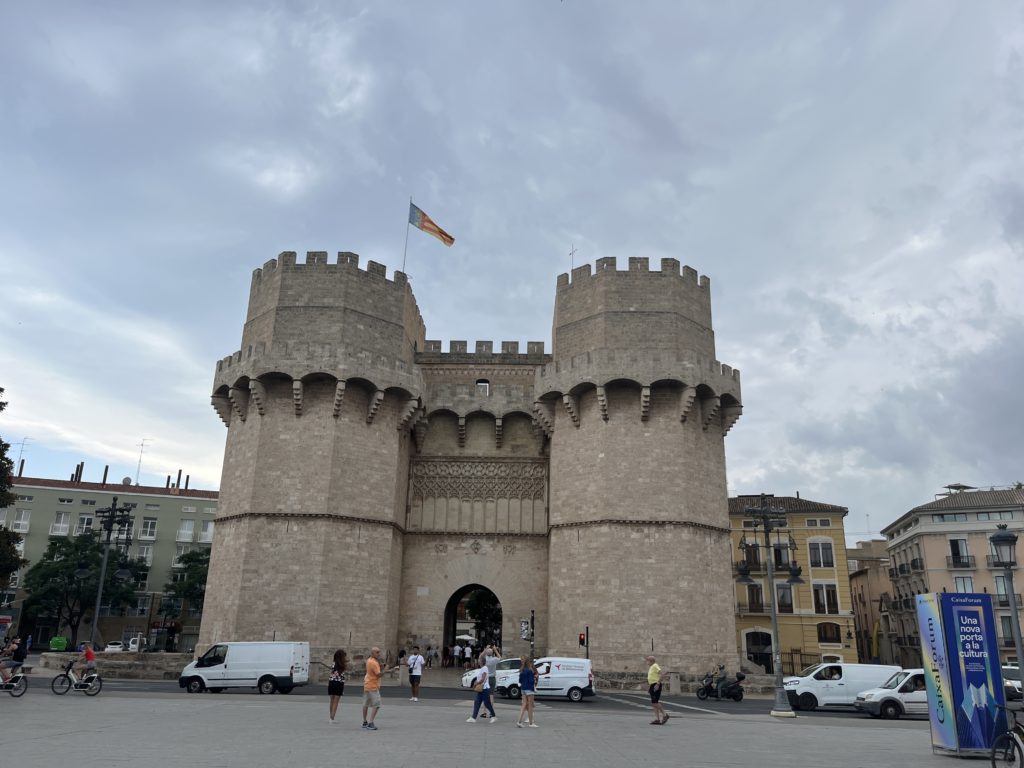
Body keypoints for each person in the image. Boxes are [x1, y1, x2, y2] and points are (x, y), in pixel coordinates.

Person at [362, 647, 390, 730]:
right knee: (377, 704)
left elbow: (373, 671)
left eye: (379, 652)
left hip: (367, 684)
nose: (379, 654)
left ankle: (364, 722)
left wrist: (381, 666)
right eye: (377, 652)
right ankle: (370, 723)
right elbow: (378, 675)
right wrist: (385, 669)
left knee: (366, 704)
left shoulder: (369, 660)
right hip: (373, 686)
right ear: (372, 653)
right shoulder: (374, 663)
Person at [466, 655, 497, 723]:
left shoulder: (485, 668)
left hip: (485, 689)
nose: (478, 661)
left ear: (481, 661)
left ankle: (493, 716)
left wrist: (476, 683)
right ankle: (473, 718)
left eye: (479, 660)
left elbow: (483, 679)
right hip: (482, 689)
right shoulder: (483, 668)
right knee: (477, 702)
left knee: (487, 703)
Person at [516, 655, 538, 728]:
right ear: (529, 661)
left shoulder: (522, 669)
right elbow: (531, 681)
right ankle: (531, 723)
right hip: (529, 689)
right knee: (530, 706)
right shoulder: (529, 670)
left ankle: (519, 721)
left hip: (523, 689)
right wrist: (534, 678)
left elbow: (520, 680)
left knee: (524, 705)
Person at [646, 655, 668, 725]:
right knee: (654, 703)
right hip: (652, 685)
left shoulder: (655, 665)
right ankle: (657, 719)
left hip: (656, 685)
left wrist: (657, 684)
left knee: (655, 702)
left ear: (651, 661)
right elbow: (652, 677)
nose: (647, 662)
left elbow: (662, 674)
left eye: (648, 660)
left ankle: (665, 715)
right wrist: (650, 687)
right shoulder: (652, 667)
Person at [328, 649, 347, 724]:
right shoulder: (342, 665)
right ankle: (332, 718)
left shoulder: (333, 663)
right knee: (336, 702)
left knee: (332, 701)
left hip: (331, 682)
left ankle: (331, 717)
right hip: (339, 683)